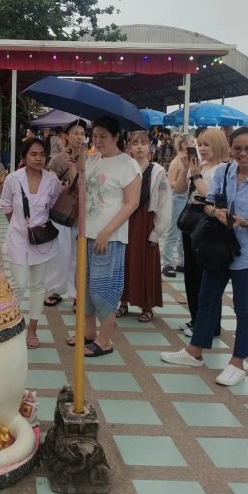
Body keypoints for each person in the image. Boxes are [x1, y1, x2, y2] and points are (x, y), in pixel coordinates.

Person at [161, 127, 248, 386]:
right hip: (217, 249)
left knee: (244, 308)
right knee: (207, 300)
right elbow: (208, 202)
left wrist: (244, 222)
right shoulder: (225, 172)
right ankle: (195, 351)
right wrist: (215, 212)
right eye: (237, 148)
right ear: (230, 149)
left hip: (246, 256)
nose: (243, 153)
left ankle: (238, 362)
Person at [82, 117, 141, 357]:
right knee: (84, 286)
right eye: (95, 136)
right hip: (86, 233)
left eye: (103, 136)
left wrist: (107, 231)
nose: (97, 141)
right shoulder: (92, 159)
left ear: (116, 137)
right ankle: (88, 333)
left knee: (103, 289)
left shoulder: (128, 165)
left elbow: (132, 202)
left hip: (110, 236)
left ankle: (104, 340)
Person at [0, 138, 61, 349]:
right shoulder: (13, 179)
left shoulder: (51, 181)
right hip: (17, 238)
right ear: (24, 156)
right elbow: (6, 205)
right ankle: (10, 324)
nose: (38, 158)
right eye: (33, 154)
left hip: (42, 240)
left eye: (42, 154)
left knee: (38, 286)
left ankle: (32, 329)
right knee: (20, 283)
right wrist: (20, 225)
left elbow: (54, 205)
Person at [172, 127, 229, 338]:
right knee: (191, 274)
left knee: (206, 275)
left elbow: (211, 196)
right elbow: (179, 189)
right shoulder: (199, 166)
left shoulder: (223, 169)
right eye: (201, 144)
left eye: (208, 144)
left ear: (219, 145)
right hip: (191, 222)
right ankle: (196, 317)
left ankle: (209, 324)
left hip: (209, 224)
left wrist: (196, 175)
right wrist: (186, 169)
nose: (203, 148)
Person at [117, 130, 172, 321]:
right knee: (124, 262)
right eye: (135, 143)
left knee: (146, 263)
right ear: (129, 147)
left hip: (146, 221)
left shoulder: (157, 171)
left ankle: (147, 306)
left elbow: (164, 202)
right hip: (125, 220)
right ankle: (123, 302)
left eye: (143, 143)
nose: (139, 146)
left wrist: (158, 230)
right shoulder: (124, 168)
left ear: (150, 147)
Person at [44, 121, 87, 311]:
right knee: (60, 252)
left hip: (82, 213)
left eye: (82, 133)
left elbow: (85, 186)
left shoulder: (90, 158)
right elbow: (51, 186)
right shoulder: (57, 160)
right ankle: (56, 290)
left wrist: (75, 170)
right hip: (61, 213)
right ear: (66, 137)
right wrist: (61, 186)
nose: (79, 137)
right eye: (75, 133)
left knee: (79, 255)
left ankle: (77, 294)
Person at [161, 133, 195, 277]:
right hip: (177, 198)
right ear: (184, 144)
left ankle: (182, 262)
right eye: (192, 141)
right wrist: (184, 184)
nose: (194, 143)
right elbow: (170, 182)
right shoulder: (177, 161)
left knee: (184, 233)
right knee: (173, 232)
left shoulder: (190, 160)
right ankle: (167, 263)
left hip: (187, 198)